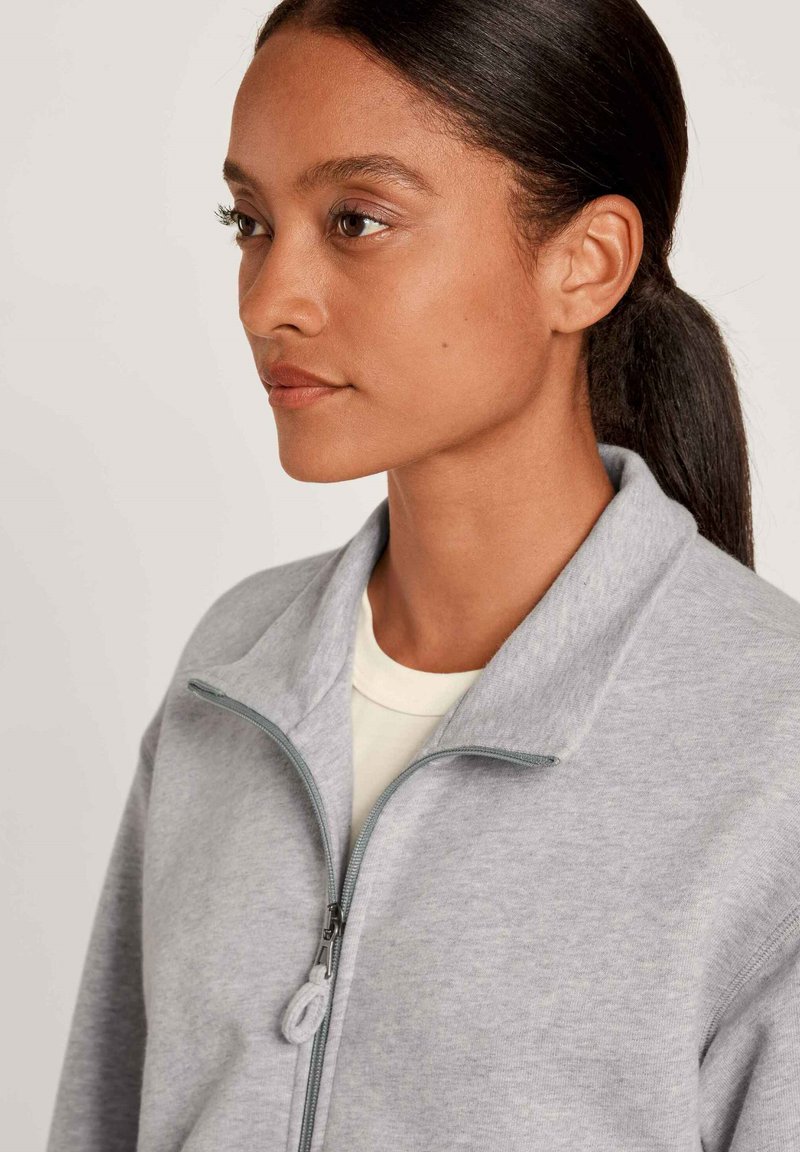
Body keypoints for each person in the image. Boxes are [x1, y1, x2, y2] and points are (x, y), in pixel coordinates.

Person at [46, 2, 800, 1150]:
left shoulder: (768, 743)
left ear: (585, 263)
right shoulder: (231, 671)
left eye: (356, 220)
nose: (267, 300)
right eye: (249, 222)